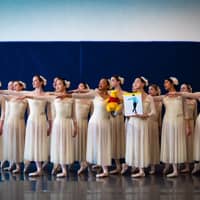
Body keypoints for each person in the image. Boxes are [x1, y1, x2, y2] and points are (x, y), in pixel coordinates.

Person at [122, 77, 156, 178]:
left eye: (137, 81)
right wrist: (127, 113)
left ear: (143, 84)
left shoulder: (149, 97)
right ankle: (135, 166)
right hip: (132, 123)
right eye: (134, 81)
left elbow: (154, 112)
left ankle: (142, 170)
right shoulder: (131, 96)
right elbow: (125, 112)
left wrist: (146, 115)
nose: (135, 83)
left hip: (143, 123)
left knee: (142, 144)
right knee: (133, 144)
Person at [23, 75, 51, 177]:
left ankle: (41, 166)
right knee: (33, 143)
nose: (33, 82)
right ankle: (38, 168)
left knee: (41, 143)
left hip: (42, 120)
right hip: (32, 120)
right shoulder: (29, 93)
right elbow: (14, 93)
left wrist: (50, 125)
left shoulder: (46, 94)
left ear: (41, 82)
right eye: (33, 81)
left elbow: (49, 112)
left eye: (35, 81)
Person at [160, 77, 187, 177]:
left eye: (166, 82)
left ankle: (177, 168)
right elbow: (152, 98)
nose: (164, 84)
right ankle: (173, 168)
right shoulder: (165, 96)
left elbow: (186, 109)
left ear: (172, 84)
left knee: (177, 143)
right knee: (170, 144)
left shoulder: (181, 96)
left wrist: (187, 125)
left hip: (178, 121)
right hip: (167, 121)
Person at [50, 78, 77, 178]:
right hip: (58, 123)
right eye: (56, 84)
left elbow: (74, 114)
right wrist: (51, 126)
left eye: (60, 84)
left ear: (65, 86)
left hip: (67, 123)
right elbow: (53, 115)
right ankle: (61, 168)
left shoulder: (71, 99)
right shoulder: (54, 98)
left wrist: (75, 126)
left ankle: (65, 167)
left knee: (66, 145)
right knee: (59, 145)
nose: (57, 86)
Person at [1, 81, 27, 173]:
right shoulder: (10, 97)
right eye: (14, 85)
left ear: (21, 87)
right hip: (10, 122)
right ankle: (13, 163)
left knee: (19, 143)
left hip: (19, 122)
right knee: (12, 143)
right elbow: (3, 93)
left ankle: (19, 165)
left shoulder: (25, 98)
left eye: (16, 85)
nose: (14, 87)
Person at [73, 82, 92, 175]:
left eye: (82, 87)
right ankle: (77, 163)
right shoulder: (75, 99)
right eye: (78, 87)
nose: (80, 89)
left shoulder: (89, 100)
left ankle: (85, 162)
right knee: (76, 143)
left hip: (85, 123)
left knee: (84, 143)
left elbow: (92, 114)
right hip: (76, 123)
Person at [109, 75, 126, 174]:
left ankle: (125, 164)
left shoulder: (125, 94)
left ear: (118, 82)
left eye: (113, 80)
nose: (111, 82)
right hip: (111, 119)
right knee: (113, 141)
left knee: (120, 141)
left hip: (120, 119)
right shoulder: (109, 93)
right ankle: (118, 165)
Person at [180, 83, 197, 173]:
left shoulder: (194, 101)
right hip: (182, 123)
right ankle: (185, 165)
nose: (182, 90)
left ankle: (193, 164)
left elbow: (195, 115)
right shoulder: (180, 101)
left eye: (184, 88)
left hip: (191, 122)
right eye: (181, 88)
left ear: (188, 90)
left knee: (191, 144)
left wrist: (193, 125)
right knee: (184, 144)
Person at [148, 84, 162, 174]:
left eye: (152, 89)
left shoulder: (160, 102)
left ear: (157, 91)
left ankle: (153, 166)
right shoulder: (147, 100)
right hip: (147, 123)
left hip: (154, 124)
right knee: (147, 144)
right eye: (149, 89)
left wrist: (159, 127)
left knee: (153, 145)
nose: (150, 91)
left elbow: (159, 116)